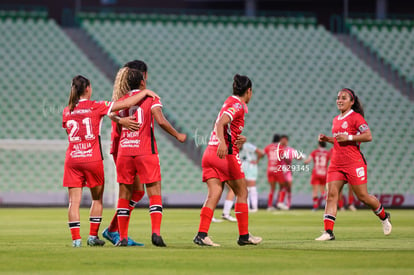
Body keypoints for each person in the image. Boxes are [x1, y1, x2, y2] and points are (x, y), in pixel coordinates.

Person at [62, 75, 159, 247]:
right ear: (88, 88)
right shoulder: (96, 106)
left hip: (72, 159)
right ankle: (92, 237)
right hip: (92, 159)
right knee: (96, 200)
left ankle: (76, 240)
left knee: (73, 202)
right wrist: (146, 93)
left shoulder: (67, 110)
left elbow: (68, 130)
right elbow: (126, 104)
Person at [107, 67, 187, 247]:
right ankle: (156, 233)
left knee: (124, 194)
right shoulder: (151, 98)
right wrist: (177, 135)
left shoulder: (121, 101)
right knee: (154, 191)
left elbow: (113, 119)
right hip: (145, 151)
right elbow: (160, 120)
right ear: (142, 81)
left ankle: (123, 238)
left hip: (125, 151)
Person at [193, 74, 262, 246]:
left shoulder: (228, 102)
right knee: (242, 192)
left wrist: (236, 138)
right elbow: (220, 124)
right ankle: (244, 236)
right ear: (249, 91)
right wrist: (224, 143)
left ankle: (202, 234)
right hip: (224, 155)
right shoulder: (237, 105)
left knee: (214, 194)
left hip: (209, 152)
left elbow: (222, 126)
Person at [315, 88, 392, 241]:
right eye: (338, 97)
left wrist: (349, 136)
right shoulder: (336, 119)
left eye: (344, 98)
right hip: (336, 163)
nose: (340, 100)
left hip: (353, 163)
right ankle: (328, 232)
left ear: (352, 102)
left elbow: (368, 136)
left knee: (362, 196)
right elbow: (340, 140)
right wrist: (328, 139)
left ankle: (384, 216)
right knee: (331, 195)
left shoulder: (356, 117)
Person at [103, 60, 152, 246]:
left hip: (127, 145)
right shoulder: (131, 95)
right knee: (132, 190)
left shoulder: (126, 94)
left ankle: (115, 230)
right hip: (124, 147)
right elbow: (109, 110)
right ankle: (115, 231)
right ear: (143, 76)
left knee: (137, 191)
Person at [304, 141, 331, 211]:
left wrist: (304, 161)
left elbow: (307, 161)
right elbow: (331, 162)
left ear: (319, 145)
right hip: (324, 173)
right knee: (322, 191)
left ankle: (315, 206)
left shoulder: (315, 152)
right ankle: (329, 204)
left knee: (315, 191)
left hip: (316, 172)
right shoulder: (327, 153)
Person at [264, 134, 286, 211]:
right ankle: (280, 202)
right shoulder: (280, 147)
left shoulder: (268, 147)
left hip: (270, 169)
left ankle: (270, 206)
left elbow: (263, 154)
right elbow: (284, 157)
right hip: (277, 169)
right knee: (283, 186)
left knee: (272, 188)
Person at [239, 142, 264, 212]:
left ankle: (255, 207)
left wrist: (257, 161)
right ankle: (247, 207)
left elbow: (260, 152)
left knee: (252, 187)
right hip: (242, 169)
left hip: (251, 168)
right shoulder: (236, 149)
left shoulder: (247, 146)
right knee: (244, 188)